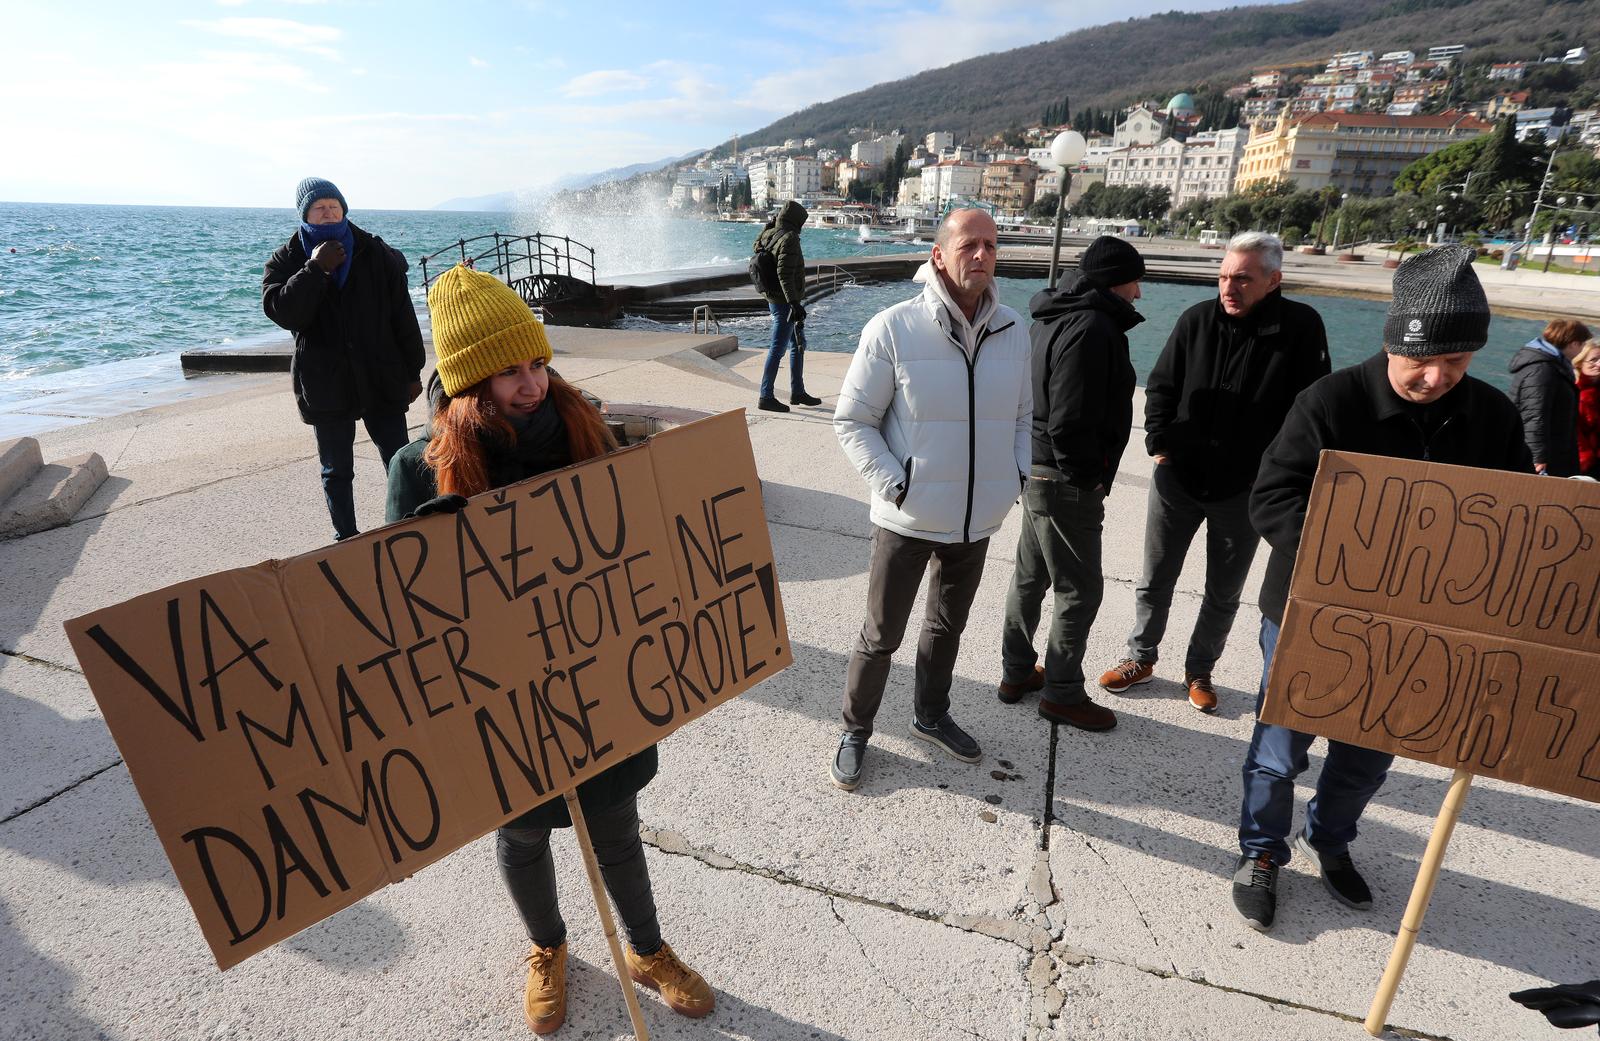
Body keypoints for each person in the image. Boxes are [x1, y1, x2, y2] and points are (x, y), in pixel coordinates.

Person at [385, 264, 713, 1033]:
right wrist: (429, 547)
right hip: (502, 698)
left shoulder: (586, 430)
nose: (532, 384)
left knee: (615, 823)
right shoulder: (418, 467)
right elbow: (399, 610)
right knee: (523, 830)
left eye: (537, 363)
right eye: (508, 373)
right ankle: (548, 946)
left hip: (596, 676)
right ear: (470, 383)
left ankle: (646, 947)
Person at [1234, 245, 1532, 931]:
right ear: (1392, 341)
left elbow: (1520, 508)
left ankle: (1330, 840)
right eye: (1421, 361)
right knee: (1280, 751)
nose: (1436, 377)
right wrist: (1362, 552)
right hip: (1311, 614)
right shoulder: (1329, 401)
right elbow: (1272, 496)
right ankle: (1260, 851)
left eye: (1456, 363)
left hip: (1418, 629)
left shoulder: (1492, 415)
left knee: (1367, 757)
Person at [830, 208, 1032, 790]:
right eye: (969, 244)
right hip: (907, 516)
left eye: (991, 245)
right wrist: (897, 484)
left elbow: (1024, 417)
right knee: (880, 635)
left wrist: (1012, 476)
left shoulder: (1014, 330)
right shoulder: (893, 328)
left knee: (946, 628)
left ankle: (931, 714)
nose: (983, 255)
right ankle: (855, 730)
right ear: (939, 255)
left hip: (978, 519)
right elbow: (853, 421)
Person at [1097, 231, 1329, 713]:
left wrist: (1277, 475)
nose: (1229, 287)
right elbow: (1160, 385)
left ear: (1273, 279)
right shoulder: (1196, 319)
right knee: (1154, 579)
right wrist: (1158, 441)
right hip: (1177, 480)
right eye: (1224, 276)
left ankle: (1199, 670)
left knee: (1223, 592)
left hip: (1244, 491)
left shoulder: (1303, 328)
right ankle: (1140, 657)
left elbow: (1310, 412)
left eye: (1243, 278)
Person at [998, 237, 1144, 732]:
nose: (1139, 293)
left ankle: (1017, 673)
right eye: (1134, 281)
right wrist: (1090, 479)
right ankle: (1061, 693)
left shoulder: (1053, 315)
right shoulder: (1093, 325)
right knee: (1079, 590)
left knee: (1029, 578)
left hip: (1036, 468)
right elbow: (1070, 419)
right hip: (1064, 479)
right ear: (1114, 281)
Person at [263, 177, 425, 543]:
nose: (329, 213)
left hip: (380, 374)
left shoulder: (373, 251)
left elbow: (402, 315)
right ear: (305, 215)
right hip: (326, 381)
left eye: (335, 207)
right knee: (336, 469)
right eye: (319, 208)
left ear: (345, 210)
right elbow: (284, 312)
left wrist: (413, 370)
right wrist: (315, 270)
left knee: (400, 458)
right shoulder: (287, 259)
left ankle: (411, 523)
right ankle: (347, 537)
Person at [754, 200, 821, 413]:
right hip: (784, 302)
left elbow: (757, 247)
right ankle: (766, 396)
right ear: (796, 221)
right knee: (778, 348)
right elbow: (784, 273)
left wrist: (769, 225)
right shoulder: (790, 238)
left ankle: (798, 392)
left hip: (774, 297)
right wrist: (793, 303)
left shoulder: (769, 233)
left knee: (797, 345)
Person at [1509, 318, 1592, 477]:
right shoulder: (1543, 370)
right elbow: (1534, 415)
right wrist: (1537, 457)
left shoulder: (1549, 364)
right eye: (1582, 345)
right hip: (1544, 457)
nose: (1582, 350)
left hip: (1554, 450)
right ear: (1574, 344)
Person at [1576, 340, 1600, 478]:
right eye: (1593, 360)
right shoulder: (1577, 393)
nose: (1599, 364)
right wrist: (1587, 460)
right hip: (1586, 464)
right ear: (1580, 363)